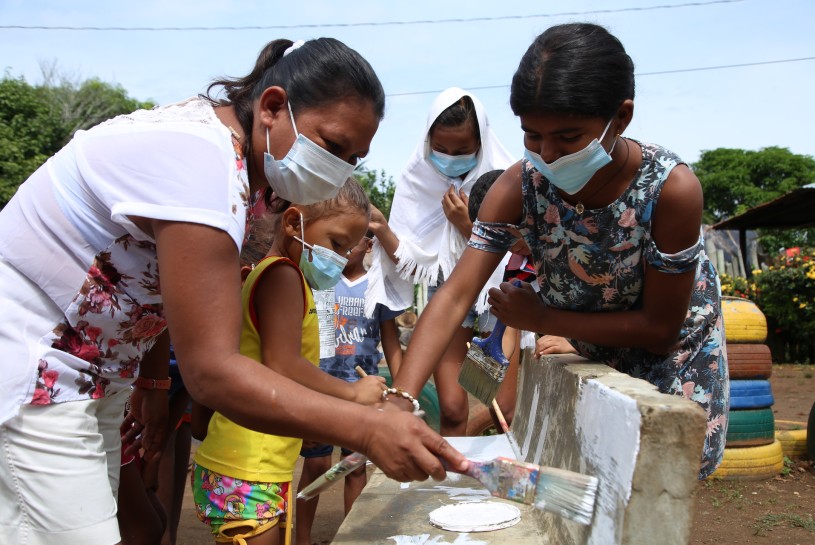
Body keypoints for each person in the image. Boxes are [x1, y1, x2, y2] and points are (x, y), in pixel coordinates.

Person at [0, 37, 467, 545]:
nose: (339, 169)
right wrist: (365, 427)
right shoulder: (202, 161)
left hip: (92, 375)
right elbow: (212, 371)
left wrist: (151, 385)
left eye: (352, 158)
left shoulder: (239, 171)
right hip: (33, 370)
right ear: (272, 108)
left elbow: (154, 290)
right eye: (331, 146)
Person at [391, 23, 728, 479]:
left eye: (568, 138)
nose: (547, 154)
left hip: (669, 372)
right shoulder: (518, 186)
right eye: (532, 136)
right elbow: (453, 296)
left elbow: (660, 329)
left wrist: (545, 320)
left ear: (621, 118)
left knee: (653, 494)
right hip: (586, 358)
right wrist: (401, 401)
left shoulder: (670, 190)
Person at [192, 180, 386, 545]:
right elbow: (283, 364)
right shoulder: (282, 275)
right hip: (248, 465)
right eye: (337, 244)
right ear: (294, 223)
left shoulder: (282, 274)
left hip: (257, 463)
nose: (341, 258)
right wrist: (351, 393)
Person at [366, 87, 514, 435]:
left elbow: (517, 253)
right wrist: (383, 229)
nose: (449, 158)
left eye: (462, 151)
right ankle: (450, 479)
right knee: (449, 407)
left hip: (499, 299)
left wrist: (468, 227)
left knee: (502, 407)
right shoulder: (415, 181)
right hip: (447, 294)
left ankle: (462, 459)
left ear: (482, 143)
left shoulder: (506, 179)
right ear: (427, 140)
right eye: (441, 149)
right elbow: (411, 260)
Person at [295, 230, 404, 545]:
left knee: (354, 467)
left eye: (349, 242)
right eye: (335, 242)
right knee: (316, 463)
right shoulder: (319, 281)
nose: (340, 250)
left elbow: (390, 339)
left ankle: (349, 538)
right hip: (322, 388)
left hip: (364, 391)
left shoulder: (376, 286)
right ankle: (302, 538)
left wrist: (401, 391)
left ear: (368, 245)